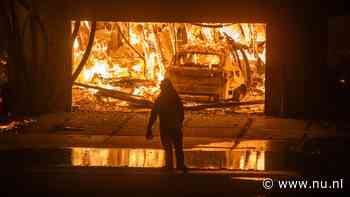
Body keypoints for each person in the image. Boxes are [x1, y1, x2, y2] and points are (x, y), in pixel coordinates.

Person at [146, 79, 187, 172]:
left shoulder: (161, 98)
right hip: (175, 126)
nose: (160, 87)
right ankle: (180, 166)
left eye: (161, 85)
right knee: (178, 148)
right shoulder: (175, 97)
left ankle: (170, 166)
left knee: (168, 148)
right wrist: (179, 123)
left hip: (166, 126)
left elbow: (154, 113)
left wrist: (149, 127)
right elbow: (181, 112)